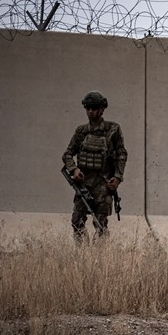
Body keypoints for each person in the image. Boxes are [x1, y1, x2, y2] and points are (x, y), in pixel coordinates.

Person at [63, 90, 127, 240]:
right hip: (83, 184)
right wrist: (74, 169)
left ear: (102, 109)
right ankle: (84, 255)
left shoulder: (113, 129)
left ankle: (99, 257)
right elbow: (67, 154)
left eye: (94, 108)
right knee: (76, 222)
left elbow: (122, 154)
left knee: (100, 225)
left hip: (103, 184)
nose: (90, 111)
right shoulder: (81, 131)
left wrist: (117, 177)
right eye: (88, 108)